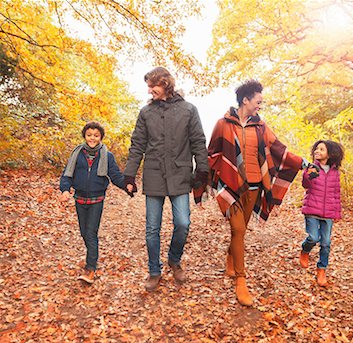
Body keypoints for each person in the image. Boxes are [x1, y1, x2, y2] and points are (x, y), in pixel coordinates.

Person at [194, 80, 319, 306]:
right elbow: (210, 154)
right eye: (258, 101)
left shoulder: (261, 126)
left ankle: (231, 257)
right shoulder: (223, 124)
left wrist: (303, 163)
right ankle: (241, 281)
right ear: (246, 100)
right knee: (238, 228)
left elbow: (280, 150)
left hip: (254, 187)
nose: (261, 105)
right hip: (230, 186)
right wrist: (202, 184)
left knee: (239, 232)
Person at [124, 67, 208, 292]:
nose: (150, 90)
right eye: (149, 86)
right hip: (153, 175)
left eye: (153, 86)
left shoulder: (189, 110)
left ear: (166, 84)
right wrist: (129, 175)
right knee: (152, 228)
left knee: (183, 223)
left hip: (180, 175)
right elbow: (137, 145)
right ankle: (154, 270)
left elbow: (198, 141)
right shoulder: (146, 113)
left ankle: (174, 258)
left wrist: (202, 170)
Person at [60, 121, 129, 284]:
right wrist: (64, 189)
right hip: (79, 198)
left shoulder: (107, 155)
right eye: (89, 135)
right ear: (85, 135)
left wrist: (127, 185)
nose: (92, 138)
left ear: (101, 137)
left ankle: (90, 268)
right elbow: (67, 175)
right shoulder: (77, 153)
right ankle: (91, 258)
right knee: (84, 233)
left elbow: (115, 176)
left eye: (96, 135)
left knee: (91, 233)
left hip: (97, 199)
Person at [299, 140, 344, 286]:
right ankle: (305, 250)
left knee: (326, 243)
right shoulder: (313, 168)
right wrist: (308, 174)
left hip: (328, 213)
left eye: (322, 149)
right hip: (312, 209)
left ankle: (321, 270)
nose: (318, 151)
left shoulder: (335, 172)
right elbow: (306, 185)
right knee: (313, 237)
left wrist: (337, 213)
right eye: (317, 149)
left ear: (330, 154)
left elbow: (336, 193)